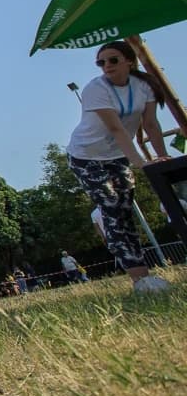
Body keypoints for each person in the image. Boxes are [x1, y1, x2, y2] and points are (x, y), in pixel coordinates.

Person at [66, 41, 171, 288]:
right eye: (101, 62)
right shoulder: (96, 88)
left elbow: (151, 124)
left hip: (117, 156)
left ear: (129, 61)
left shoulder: (144, 86)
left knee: (125, 210)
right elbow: (116, 128)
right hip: (86, 156)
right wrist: (140, 163)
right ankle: (140, 279)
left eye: (113, 60)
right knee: (112, 207)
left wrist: (162, 156)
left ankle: (143, 274)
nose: (106, 66)